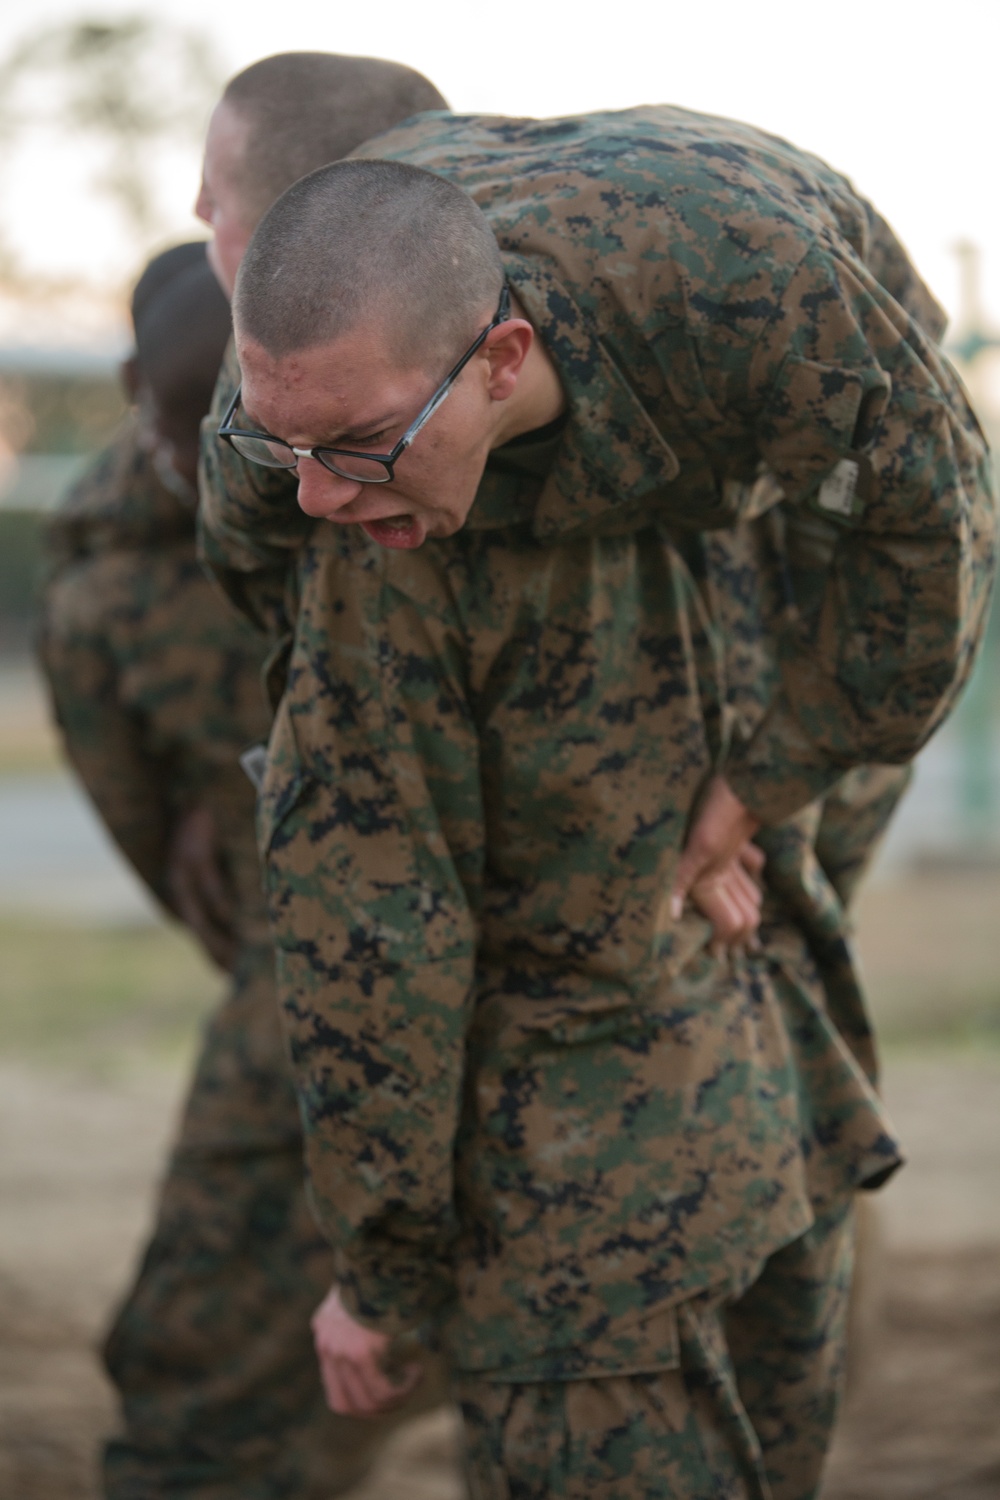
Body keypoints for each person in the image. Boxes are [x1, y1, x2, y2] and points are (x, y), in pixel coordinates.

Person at [199, 105, 998, 1500]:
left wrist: (768, 784)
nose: (323, 497)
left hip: (762, 292)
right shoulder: (286, 418)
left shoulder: (766, 311)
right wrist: (326, 725)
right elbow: (274, 590)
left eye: (363, 448)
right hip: (748, 1127)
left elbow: (935, 552)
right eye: (292, 452)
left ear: (504, 361)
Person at [39, 42, 452, 1483]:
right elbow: (160, 840)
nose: (211, 453)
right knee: (201, 1372)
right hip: (303, 989)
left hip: (538, 970)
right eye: (183, 422)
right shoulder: (109, 592)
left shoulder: (445, 453)